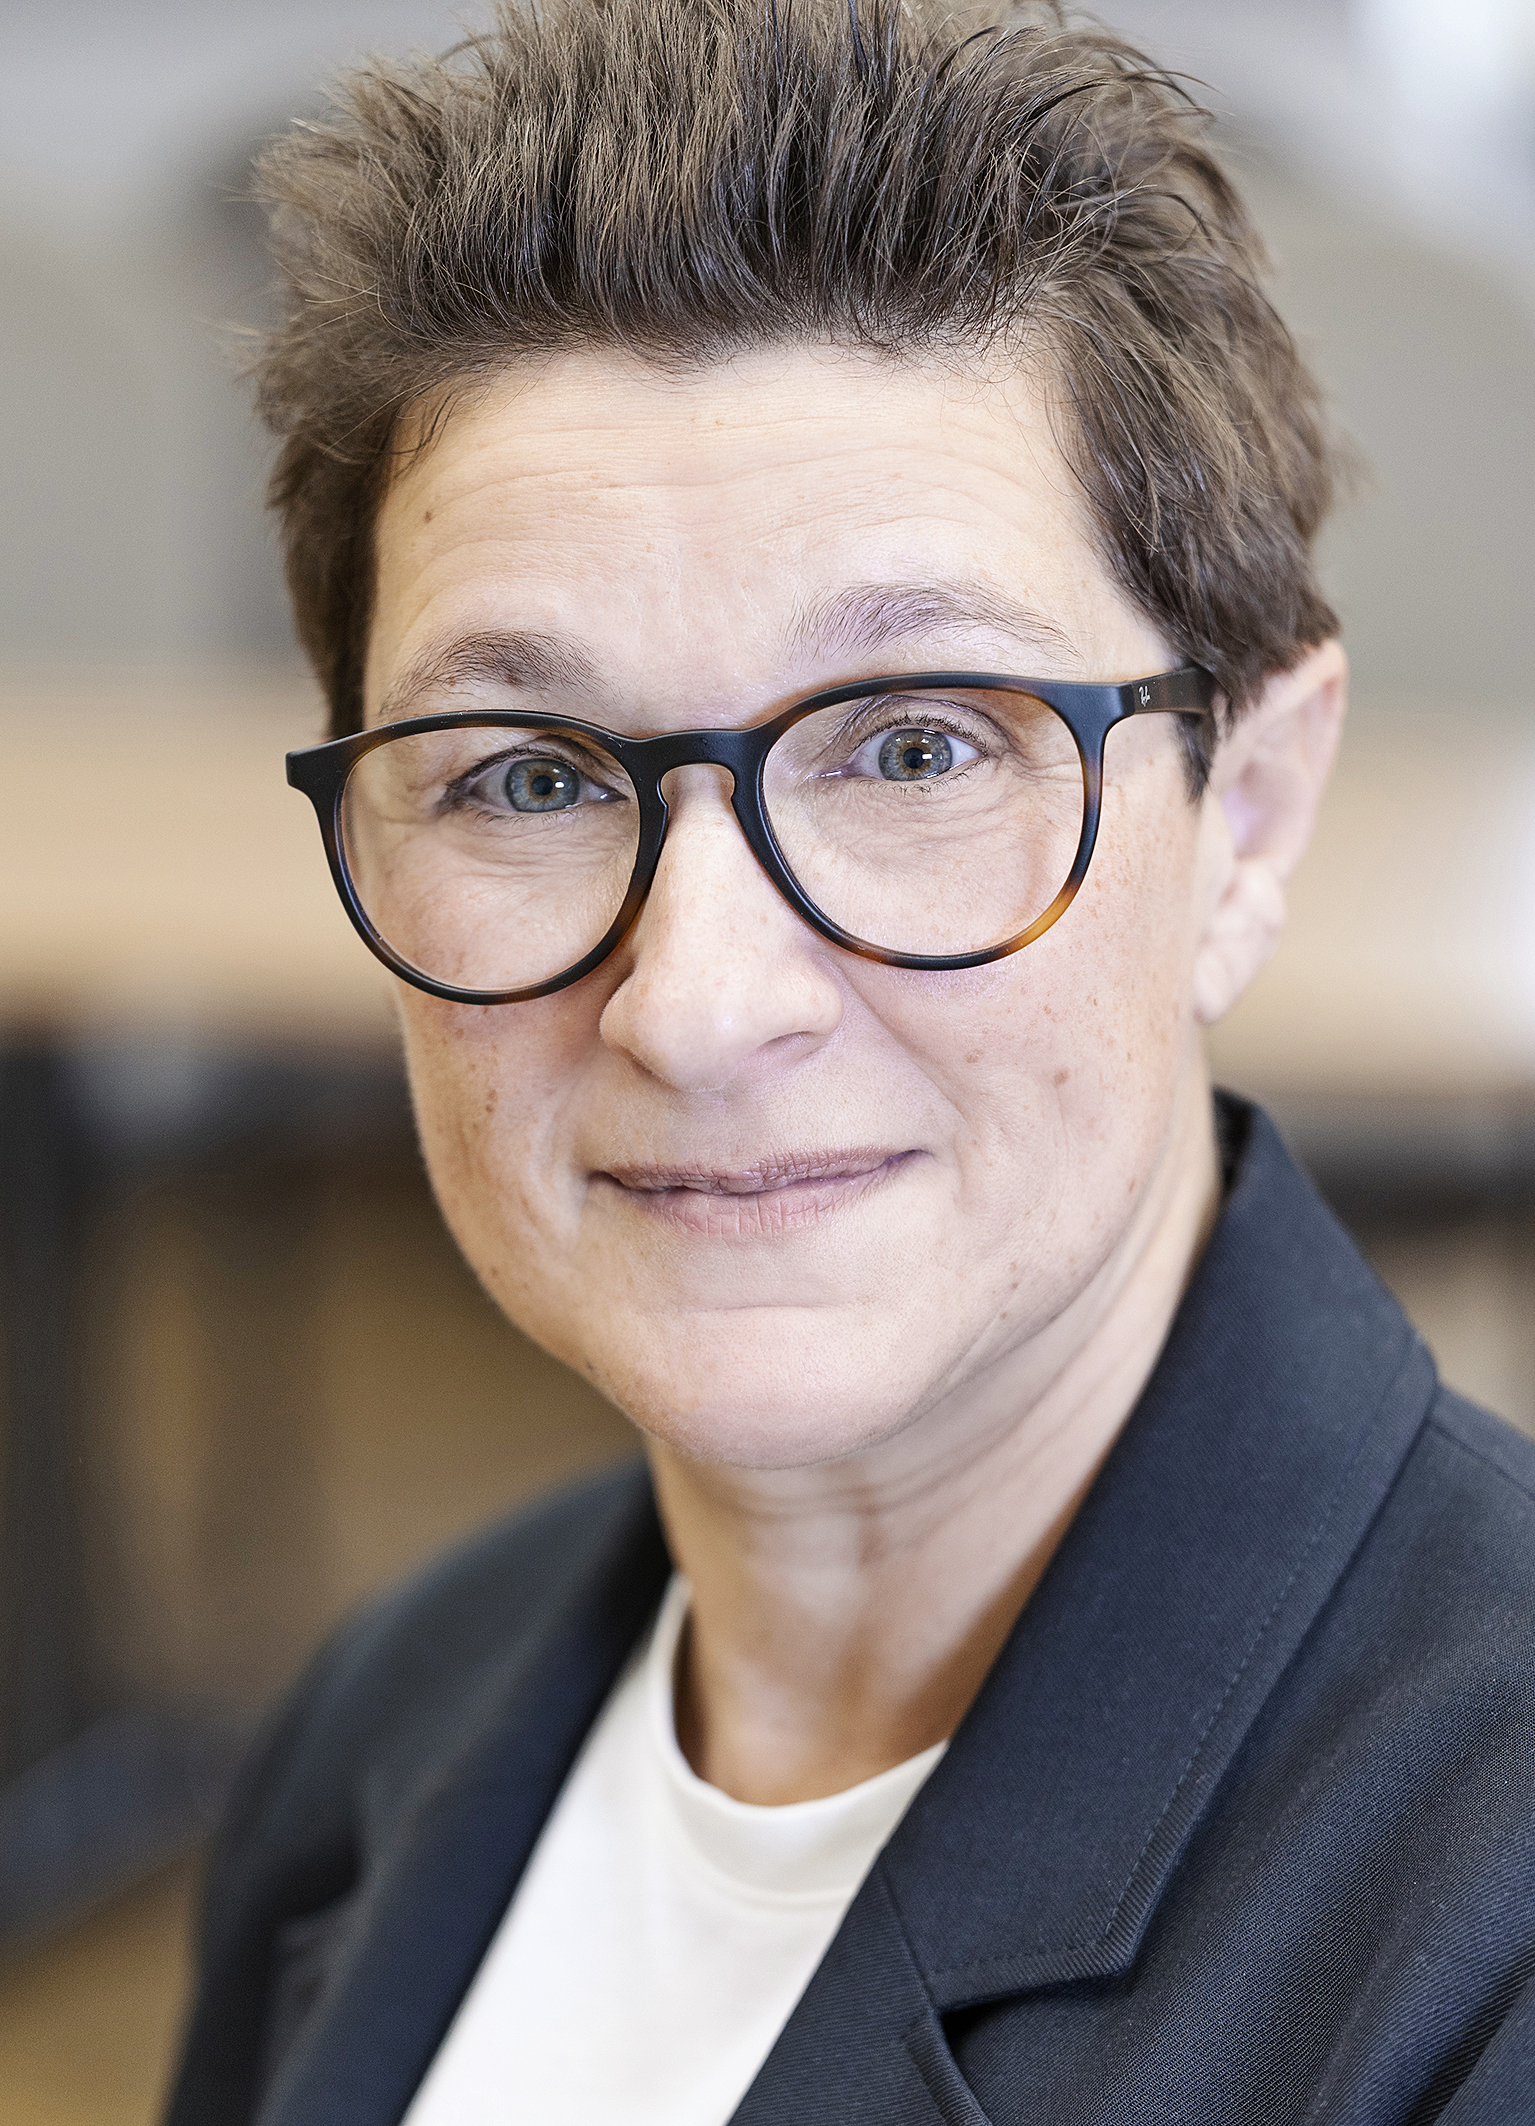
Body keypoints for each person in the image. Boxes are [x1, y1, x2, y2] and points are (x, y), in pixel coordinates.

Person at [165, 3, 1535, 2121]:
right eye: (529, 775)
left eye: (915, 746)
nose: (697, 1003)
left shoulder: (1490, 1925)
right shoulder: (374, 1733)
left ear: (1247, 815)